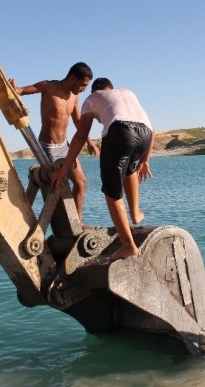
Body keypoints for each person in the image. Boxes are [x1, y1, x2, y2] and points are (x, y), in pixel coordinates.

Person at [51, 78, 153, 261]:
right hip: (145, 134)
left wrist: (64, 167)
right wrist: (145, 161)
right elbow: (151, 128)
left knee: (112, 193)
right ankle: (136, 213)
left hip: (120, 131)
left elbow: (80, 135)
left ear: (94, 90)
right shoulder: (128, 93)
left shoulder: (92, 98)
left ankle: (128, 246)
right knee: (129, 169)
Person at [9, 62, 98, 222]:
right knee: (57, 187)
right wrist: (14, 89)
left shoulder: (75, 97)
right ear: (72, 78)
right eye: (83, 85)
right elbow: (20, 91)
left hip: (65, 147)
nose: (84, 89)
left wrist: (89, 142)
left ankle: (78, 223)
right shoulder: (48, 87)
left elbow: (79, 122)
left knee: (81, 182)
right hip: (47, 148)